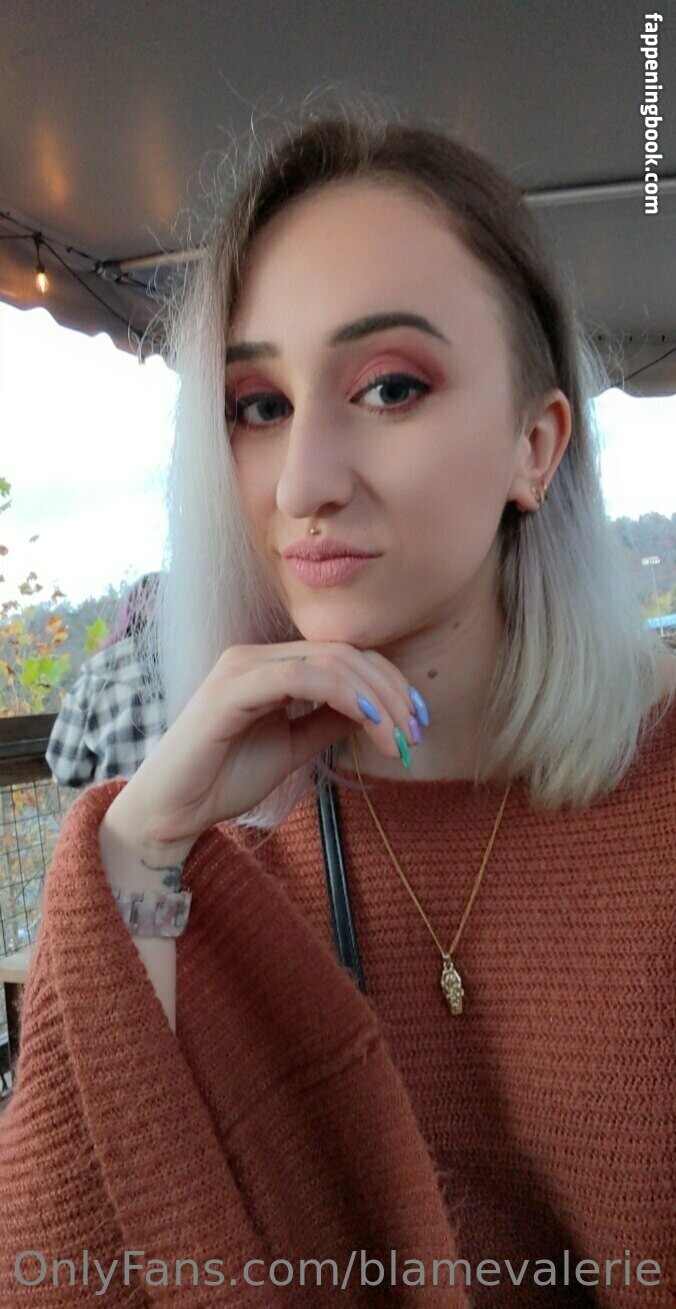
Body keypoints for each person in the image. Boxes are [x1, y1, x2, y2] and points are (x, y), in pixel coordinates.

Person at [1, 105, 674, 1307]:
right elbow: (61, 1274)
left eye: (390, 387)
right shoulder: (202, 873)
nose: (303, 483)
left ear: (535, 446)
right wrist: (139, 851)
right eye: (258, 406)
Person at [45, 572, 166, 787]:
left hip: (118, 806)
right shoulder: (209, 672)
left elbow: (64, 769)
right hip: (201, 806)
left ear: (127, 615)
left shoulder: (94, 680)